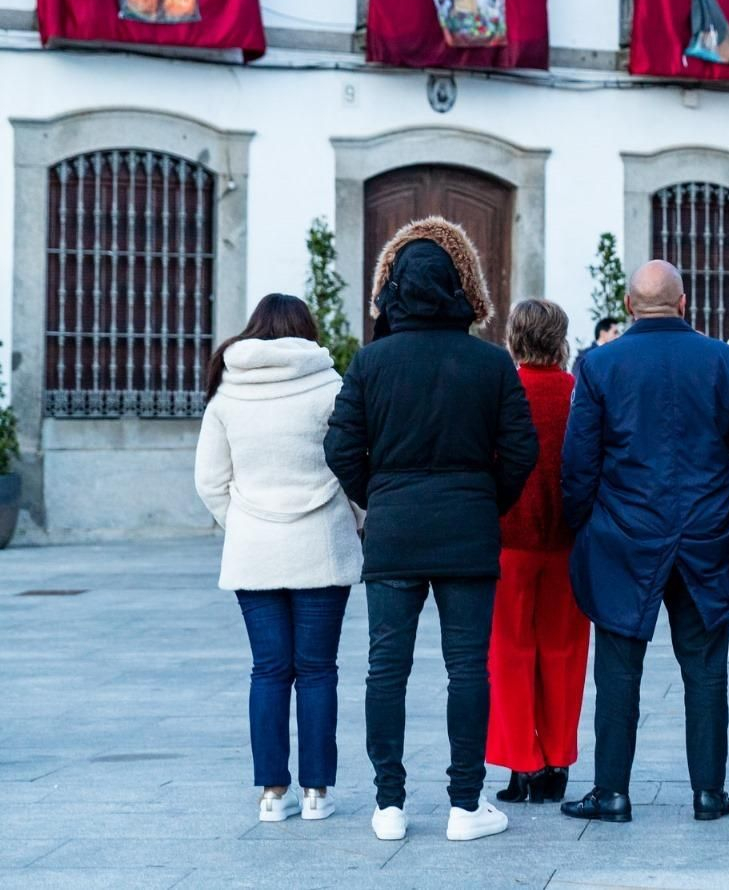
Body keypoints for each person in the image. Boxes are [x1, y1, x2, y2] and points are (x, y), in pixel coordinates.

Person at [324, 217, 540, 843]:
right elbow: (521, 451)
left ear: (393, 289)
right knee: (468, 669)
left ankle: (389, 805)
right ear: (456, 288)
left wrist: (380, 496)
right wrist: (486, 500)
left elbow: (341, 450)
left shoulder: (370, 362)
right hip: (468, 529)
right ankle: (465, 805)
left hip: (394, 531)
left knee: (385, 669)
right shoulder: (491, 363)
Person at [560, 260, 729, 825]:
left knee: (618, 670)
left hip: (624, 535)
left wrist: (584, 526)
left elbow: (578, 463)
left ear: (630, 306)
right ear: (684, 304)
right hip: (706, 531)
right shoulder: (723, 360)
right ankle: (709, 793)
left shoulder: (599, 364)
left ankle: (611, 793)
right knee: (705, 668)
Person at [195, 294, 363, 824]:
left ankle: (272, 793)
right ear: (305, 329)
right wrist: (357, 518)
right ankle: (316, 793)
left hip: (254, 552)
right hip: (322, 545)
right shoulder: (330, 386)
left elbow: (209, 481)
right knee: (317, 671)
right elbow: (354, 465)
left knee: (268, 670)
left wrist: (244, 522)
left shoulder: (227, 393)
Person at [487, 299, 591, 806]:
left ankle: (521, 765)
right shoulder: (577, 393)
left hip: (509, 540)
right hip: (568, 541)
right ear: (560, 339)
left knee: (508, 654)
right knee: (564, 652)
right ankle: (557, 761)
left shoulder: (502, 391)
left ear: (514, 338)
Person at [572, 315, 623, 383]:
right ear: (603, 333)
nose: (618, 336)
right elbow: (578, 377)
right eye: (615, 332)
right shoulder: (585, 355)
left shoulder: (616, 355)